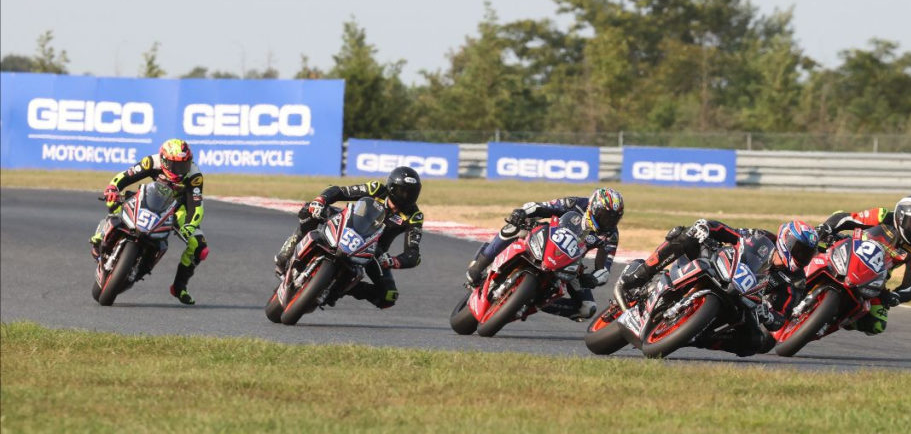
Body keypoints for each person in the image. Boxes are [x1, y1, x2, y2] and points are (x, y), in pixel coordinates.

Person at [620, 218, 819, 357]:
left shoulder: (796, 281)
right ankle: (642, 274)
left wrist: (766, 314)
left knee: (757, 343)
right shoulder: (763, 237)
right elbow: (730, 232)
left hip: (742, 302)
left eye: (807, 254)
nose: (802, 257)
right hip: (719, 266)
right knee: (684, 234)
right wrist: (706, 227)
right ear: (786, 240)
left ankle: (701, 337)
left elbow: (781, 318)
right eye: (799, 250)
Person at [464, 188, 625, 322]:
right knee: (515, 226)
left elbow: (605, 268)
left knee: (587, 308)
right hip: (546, 240)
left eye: (614, 218)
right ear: (594, 207)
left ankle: (532, 303)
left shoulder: (611, 235)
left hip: (570, 264)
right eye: (605, 215)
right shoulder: (576, 203)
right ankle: (478, 265)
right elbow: (544, 206)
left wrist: (594, 278)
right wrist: (522, 212)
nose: (609, 221)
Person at [274, 166, 424, 310]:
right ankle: (288, 251)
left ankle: (339, 288)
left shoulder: (414, 216)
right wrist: (321, 200)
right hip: (348, 224)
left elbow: (413, 254)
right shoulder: (376, 189)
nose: (406, 196)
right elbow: (340, 191)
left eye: (411, 193)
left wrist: (394, 261)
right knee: (309, 211)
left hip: (373, 250)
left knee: (389, 296)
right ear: (391, 187)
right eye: (402, 191)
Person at [90, 138, 208, 305]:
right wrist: (113, 189)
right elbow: (125, 177)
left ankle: (179, 287)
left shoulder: (194, 175)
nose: (181, 170)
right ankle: (101, 236)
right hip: (151, 196)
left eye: (184, 164)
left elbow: (196, 206)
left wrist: (190, 226)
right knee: (115, 201)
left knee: (199, 247)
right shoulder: (152, 162)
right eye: (175, 165)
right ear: (165, 161)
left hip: (177, 208)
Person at [813, 194, 911, 335]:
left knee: (876, 324)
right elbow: (846, 218)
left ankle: (835, 320)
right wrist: (826, 228)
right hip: (849, 251)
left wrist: (896, 296)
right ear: (900, 217)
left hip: (875, 278)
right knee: (809, 245)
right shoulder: (882, 216)